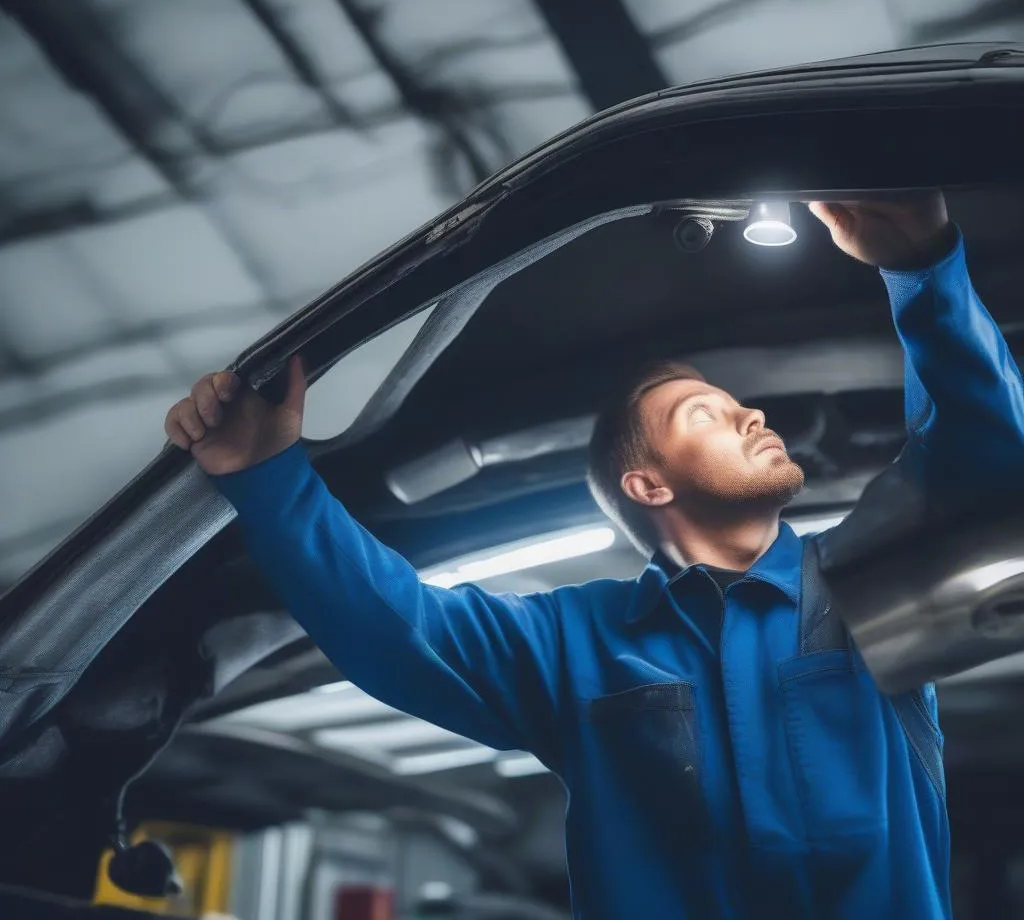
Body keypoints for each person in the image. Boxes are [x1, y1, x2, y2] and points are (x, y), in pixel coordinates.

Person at [165, 193, 1024, 919]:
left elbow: (984, 449)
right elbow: (394, 625)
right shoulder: (571, 643)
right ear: (649, 487)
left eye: (742, 407)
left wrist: (922, 268)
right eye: (707, 414)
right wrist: (267, 475)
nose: (752, 417)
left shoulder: (870, 575)